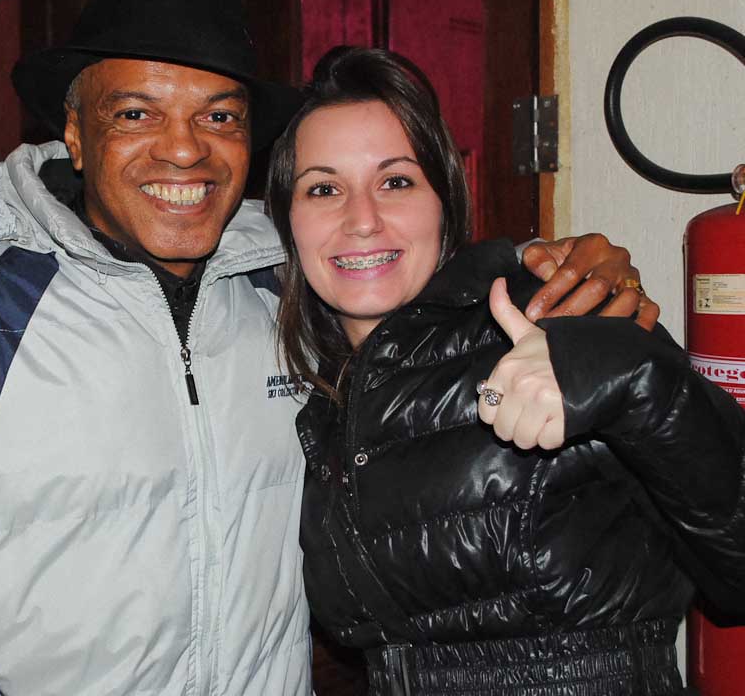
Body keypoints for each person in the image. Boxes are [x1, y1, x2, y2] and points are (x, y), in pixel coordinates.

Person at [0, 0, 651, 695]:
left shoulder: (291, 284)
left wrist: (557, 276)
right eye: (136, 112)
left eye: (219, 115)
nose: (184, 148)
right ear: (74, 130)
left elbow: (417, 273)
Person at [265, 45, 745, 695]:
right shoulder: (320, 405)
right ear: (286, 221)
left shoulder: (552, 317)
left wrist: (630, 374)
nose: (363, 220)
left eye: (396, 181)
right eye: (324, 188)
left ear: (444, 200)